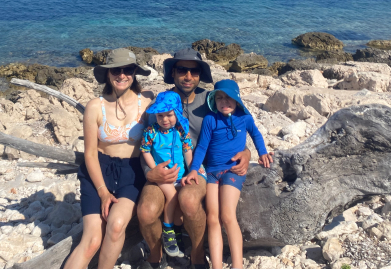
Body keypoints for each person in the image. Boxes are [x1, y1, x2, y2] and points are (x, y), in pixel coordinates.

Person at [136, 48, 253, 269]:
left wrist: (246, 152)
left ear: (200, 75)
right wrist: (149, 173)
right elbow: (144, 146)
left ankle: (197, 256)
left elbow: (233, 128)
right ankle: (157, 254)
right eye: (182, 70)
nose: (188, 76)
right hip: (161, 171)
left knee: (189, 201)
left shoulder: (210, 101)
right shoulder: (159, 105)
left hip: (199, 169)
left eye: (194, 71)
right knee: (146, 210)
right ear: (173, 73)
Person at [63, 49, 154, 269]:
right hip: (99, 170)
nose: (122, 75)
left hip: (132, 173)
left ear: (134, 73)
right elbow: (91, 153)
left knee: (116, 224)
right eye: (116, 70)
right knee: (92, 240)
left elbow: (177, 119)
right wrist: (103, 192)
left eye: (128, 70)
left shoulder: (149, 101)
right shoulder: (95, 106)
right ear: (107, 74)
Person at [182, 79, 271, 269]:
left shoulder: (245, 118)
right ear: (214, 101)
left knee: (228, 216)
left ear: (237, 100)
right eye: (219, 98)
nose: (224, 102)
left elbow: (256, 135)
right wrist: (194, 169)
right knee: (213, 218)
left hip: (232, 170)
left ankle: (237, 265)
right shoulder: (210, 119)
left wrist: (262, 153)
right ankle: (217, 265)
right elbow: (202, 147)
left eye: (229, 98)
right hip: (213, 172)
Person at [140, 91, 194, 258]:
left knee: (180, 211)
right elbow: (145, 150)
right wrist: (155, 169)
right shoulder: (151, 131)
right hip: (162, 176)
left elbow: (187, 150)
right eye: (160, 115)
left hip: (180, 175)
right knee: (172, 197)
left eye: (169, 114)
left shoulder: (181, 130)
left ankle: (177, 232)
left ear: (177, 113)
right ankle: (168, 230)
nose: (164, 119)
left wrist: (193, 168)